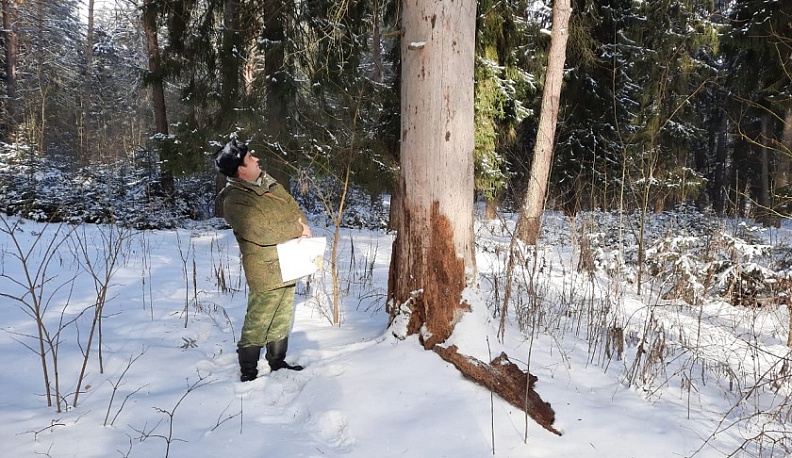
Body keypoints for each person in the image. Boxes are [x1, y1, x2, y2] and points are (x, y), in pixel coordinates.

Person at [214, 138, 311, 381]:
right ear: (241, 169)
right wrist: (296, 228)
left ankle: (277, 361)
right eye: (249, 158)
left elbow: (295, 210)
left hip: (289, 259)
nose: (256, 159)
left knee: (282, 314)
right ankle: (248, 371)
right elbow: (260, 230)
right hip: (265, 268)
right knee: (259, 318)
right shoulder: (234, 199)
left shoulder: (269, 183)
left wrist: (296, 224)